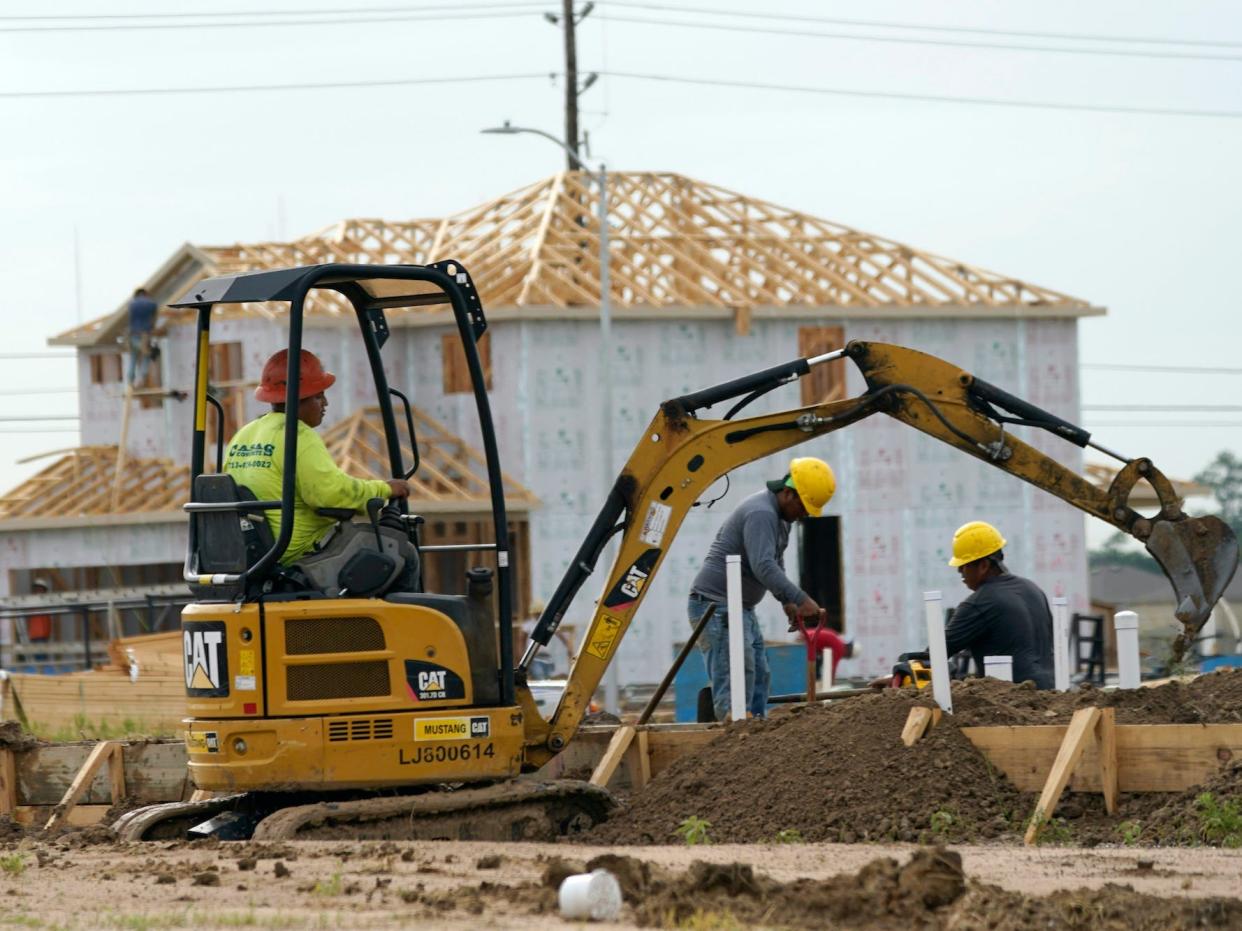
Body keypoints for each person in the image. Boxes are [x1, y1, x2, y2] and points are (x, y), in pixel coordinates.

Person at [224, 349, 410, 568]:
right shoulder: (298, 435)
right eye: (319, 396)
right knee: (402, 555)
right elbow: (331, 494)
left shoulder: (243, 435)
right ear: (300, 398)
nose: (326, 403)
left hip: (252, 551)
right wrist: (385, 490)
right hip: (297, 554)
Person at [687, 456, 838, 721]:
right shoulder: (762, 513)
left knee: (758, 672)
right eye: (802, 506)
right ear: (788, 494)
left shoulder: (781, 519)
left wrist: (787, 603)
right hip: (714, 606)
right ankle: (734, 733)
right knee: (735, 677)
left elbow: (775, 560)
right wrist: (801, 598)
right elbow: (763, 565)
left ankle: (753, 732)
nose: (803, 514)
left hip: (738, 607)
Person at [943, 520, 1054, 689]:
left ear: (983, 565)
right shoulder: (1033, 590)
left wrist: (902, 670)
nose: (960, 572)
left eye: (963, 566)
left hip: (1011, 704)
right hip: (1052, 695)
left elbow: (936, 654)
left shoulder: (979, 603)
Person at [127, 288, 159, 386]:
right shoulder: (152, 304)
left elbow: (130, 319)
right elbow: (154, 319)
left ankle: (130, 381)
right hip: (145, 336)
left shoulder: (132, 304)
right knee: (146, 356)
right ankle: (141, 379)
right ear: (145, 294)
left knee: (133, 357)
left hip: (134, 335)